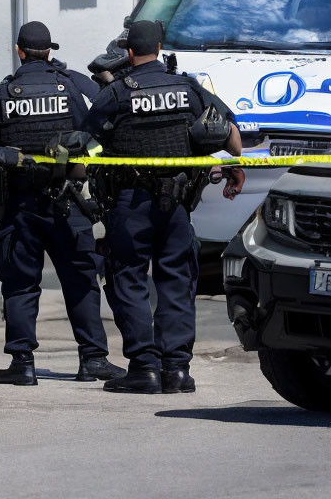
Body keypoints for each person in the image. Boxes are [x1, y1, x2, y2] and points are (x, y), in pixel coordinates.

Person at [82, 20, 245, 394]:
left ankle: (144, 368)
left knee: (128, 280)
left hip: (130, 204)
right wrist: (232, 166)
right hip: (177, 206)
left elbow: (81, 144)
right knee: (176, 283)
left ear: (127, 53)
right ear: (160, 48)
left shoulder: (118, 93)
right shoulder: (188, 87)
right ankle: (176, 369)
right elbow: (233, 139)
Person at [0, 21, 124, 386]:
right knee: (81, 280)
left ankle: (22, 363)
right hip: (69, 202)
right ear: (49, 51)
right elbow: (102, 132)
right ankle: (93, 359)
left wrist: (5, 155)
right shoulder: (73, 86)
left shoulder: (1, 94)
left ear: (19, 51)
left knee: (20, 284)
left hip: (19, 205)